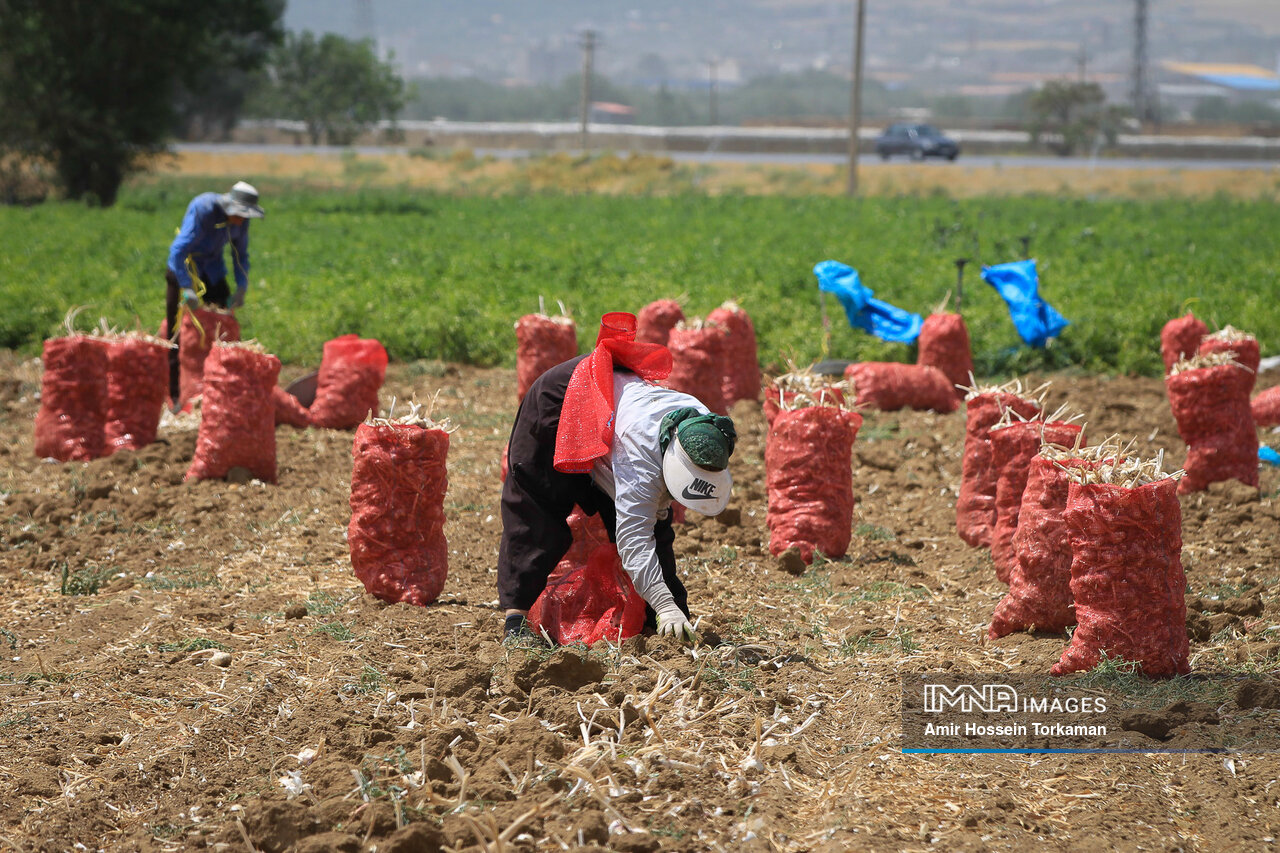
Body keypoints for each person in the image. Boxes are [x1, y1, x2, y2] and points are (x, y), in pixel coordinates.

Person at [497, 312, 737, 644]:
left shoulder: (701, 422)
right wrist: (664, 603)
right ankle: (516, 620)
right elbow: (635, 540)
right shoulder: (641, 460)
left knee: (656, 526)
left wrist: (672, 609)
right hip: (563, 400)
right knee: (539, 511)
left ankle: (668, 624)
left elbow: (653, 523)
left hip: (615, 414)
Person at [164, 181, 265, 402]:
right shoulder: (204, 208)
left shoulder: (241, 222)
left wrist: (241, 287)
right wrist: (187, 288)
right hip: (185, 267)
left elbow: (241, 255)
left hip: (213, 270)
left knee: (223, 325)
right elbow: (178, 250)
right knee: (175, 331)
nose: (241, 220)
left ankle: (219, 386)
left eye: (245, 216)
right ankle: (175, 394)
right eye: (239, 214)